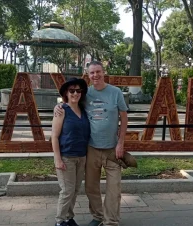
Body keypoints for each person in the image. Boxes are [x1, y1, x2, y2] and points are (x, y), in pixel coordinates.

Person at [54, 61, 128, 226]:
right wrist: (58, 105)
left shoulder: (115, 92)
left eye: (98, 72)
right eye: (92, 73)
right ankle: (98, 216)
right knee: (91, 188)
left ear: (103, 72)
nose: (95, 75)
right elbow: (70, 102)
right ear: (88, 75)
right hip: (91, 148)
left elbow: (124, 118)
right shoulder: (86, 94)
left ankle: (111, 221)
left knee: (114, 189)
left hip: (112, 149)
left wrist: (121, 143)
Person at [52, 77, 90, 226]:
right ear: (66, 93)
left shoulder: (84, 110)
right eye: (72, 90)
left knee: (75, 190)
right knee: (67, 191)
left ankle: (69, 217)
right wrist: (57, 159)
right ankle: (59, 221)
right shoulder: (61, 110)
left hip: (81, 157)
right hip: (66, 157)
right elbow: (54, 136)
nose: (75, 93)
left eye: (78, 90)